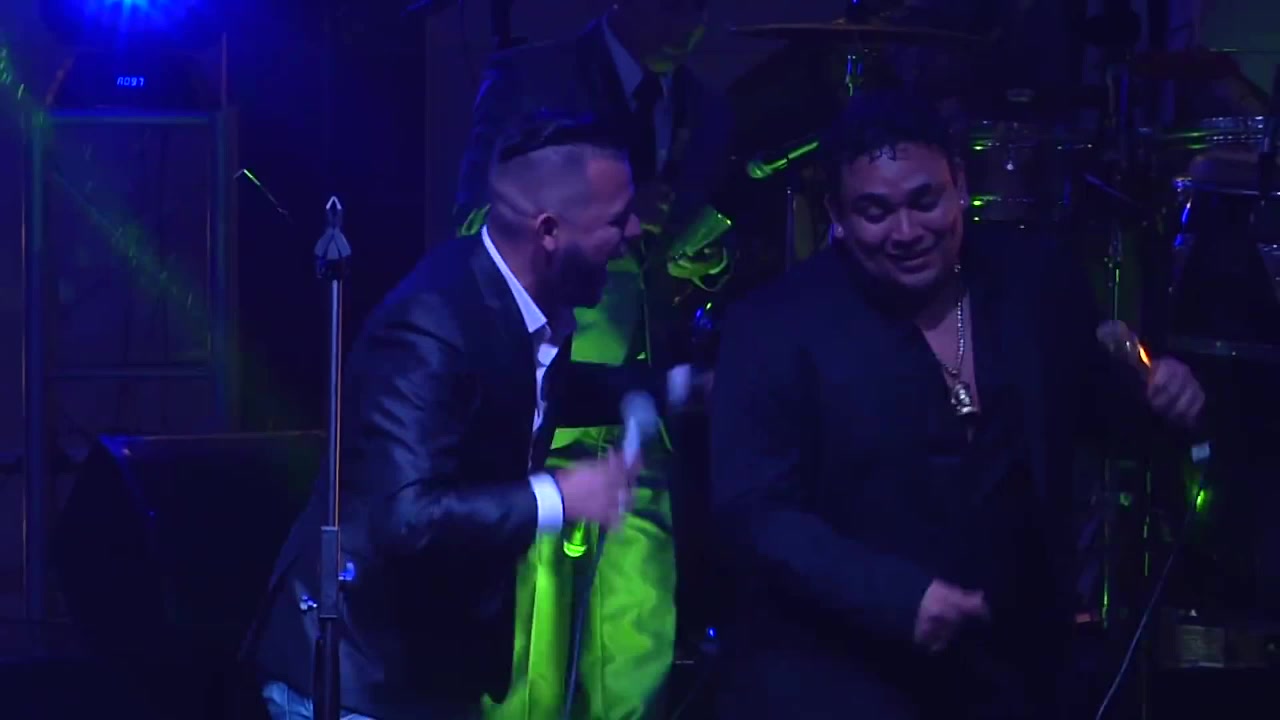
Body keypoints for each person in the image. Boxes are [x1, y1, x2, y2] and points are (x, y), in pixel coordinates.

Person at [707, 91, 1206, 719]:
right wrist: (897, 596)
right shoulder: (774, 327)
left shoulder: (1034, 283)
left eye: (926, 202)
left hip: (1012, 669)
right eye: (875, 212)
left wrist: (1163, 399)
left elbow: (1094, 416)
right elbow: (756, 513)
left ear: (960, 185)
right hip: (840, 674)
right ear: (835, 213)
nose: (907, 232)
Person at [251, 112, 686, 720]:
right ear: (549, 231)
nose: (634, 232)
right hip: (361, 674)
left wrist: (677, 386)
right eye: (617, 220)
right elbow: (405, 516)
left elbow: (535, 390)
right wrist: (561, 496)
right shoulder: (431, 324)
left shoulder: (520, 298)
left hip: (431, 669)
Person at [454, 2, 731, 718]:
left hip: (642, 403)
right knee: (529, 644)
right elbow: (472, 220)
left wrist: (702, 255)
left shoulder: (707, 106)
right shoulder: (530, 75)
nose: (694, 16)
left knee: (637, 633)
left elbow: (695, 239)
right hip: (548, 385)